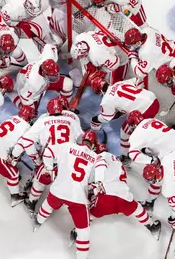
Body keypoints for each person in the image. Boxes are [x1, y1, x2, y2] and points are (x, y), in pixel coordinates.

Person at [32, 131, 107, 259]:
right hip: (78, 197)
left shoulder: (67, 146)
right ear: (94, 145)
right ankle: (81, 256)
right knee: (84, 231)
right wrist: (99, 181)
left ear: (81, 140)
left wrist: (49, 168)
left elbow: (49, 151)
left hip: (58, 190)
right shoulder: (96, 157)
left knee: (48, 205)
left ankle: (38, 222)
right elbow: (100, 168)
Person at [11, 96, 83, 213]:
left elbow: (26, 141)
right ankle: (60, 202)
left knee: (40, 182)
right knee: (65, 184)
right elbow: (82, 141)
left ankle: (32, 202)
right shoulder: (73, 121)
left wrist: (19, 155)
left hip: (49, 160)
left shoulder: (43, 120)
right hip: (69, 160)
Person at [87, 144, 161, 239]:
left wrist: (98, 181)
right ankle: (152, 227)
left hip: (106, 197)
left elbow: (101, 165)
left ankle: (77, 232)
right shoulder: (115, 160)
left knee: (89, 215)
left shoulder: (103, 156)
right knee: (137, 209)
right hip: (123, 196)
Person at [0, 105, 37, 207]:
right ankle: (15, 196)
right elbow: (20, 147)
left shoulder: (12, 118)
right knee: (14, 174)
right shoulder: (27, 128)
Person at [9, 44, 73, 112]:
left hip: (40, 81)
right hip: (25, 86)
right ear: (43, 73)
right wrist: (30, 108)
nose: (56, 78)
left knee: (68, 84)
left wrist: (57, 50)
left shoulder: (49, 59)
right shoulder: (33, 83)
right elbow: (24, 97)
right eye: (52, 76)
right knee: (30, 112)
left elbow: (49, 46)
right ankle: (9, 92)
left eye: (56, 75)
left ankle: (65, 109)